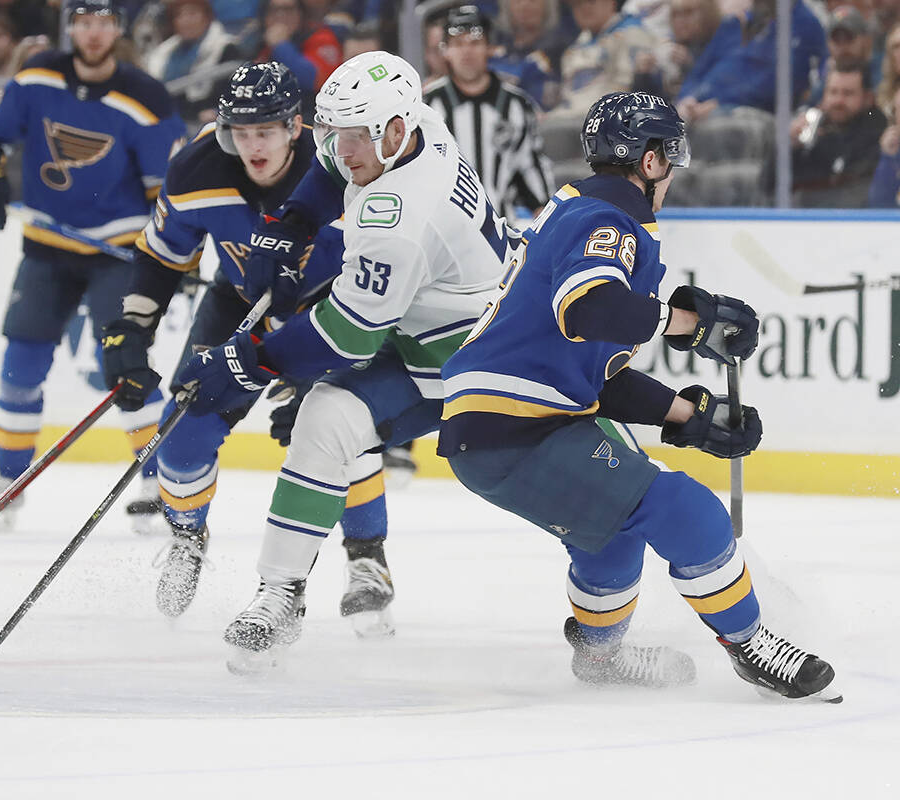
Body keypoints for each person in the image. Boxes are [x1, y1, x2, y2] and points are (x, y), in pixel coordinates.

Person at [439, 90, 840, 702]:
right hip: (515, 424)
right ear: (649, 161)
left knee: (610, 532)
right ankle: (752, 644)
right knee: (680, 506)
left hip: (513, 419)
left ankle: (599, 657)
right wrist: (688, 322)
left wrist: (687, 415)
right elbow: (590, 308)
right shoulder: (605, 219)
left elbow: (592, 371)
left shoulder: (579, 212)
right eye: (669, 155)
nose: (674, 170)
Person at [176, 51, 510, 673]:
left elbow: (348, 336)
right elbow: (330, 166)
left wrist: (252, 359)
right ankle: (281, 591)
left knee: (326, 415)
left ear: (393, 127)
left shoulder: (399, 218)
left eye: (358, 134)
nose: (343, 147)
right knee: (324, 420)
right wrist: (290, 226)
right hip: (421, 318)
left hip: (460, 359)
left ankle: (349, 561)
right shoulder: (417, 127)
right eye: (335, 130)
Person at [102, 62, 393, 621]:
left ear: (295, 127)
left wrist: (308, 378)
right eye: (240, 132)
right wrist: (133, 327)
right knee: (182, 432)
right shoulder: (195, 168)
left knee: (335, 427)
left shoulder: (342, 164)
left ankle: (366, 556)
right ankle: (187, 538)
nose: (252, 146)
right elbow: (163, 257)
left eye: (265, 131)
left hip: (328, 311)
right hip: (240, 302)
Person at [0, 0, 186, 531]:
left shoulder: (146, 97)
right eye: (83, 22)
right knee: (21, 364)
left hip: (119, 251)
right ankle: (9, 481)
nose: (92, 33)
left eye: (103, 22)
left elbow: (171, 191)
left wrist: (174, 251)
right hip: (47, 245)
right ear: (71, 28)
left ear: (117, 29)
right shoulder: (37, 78)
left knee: (124, 366)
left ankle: (157, 481)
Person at [425, 5, 555, 221]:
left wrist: (545, 214)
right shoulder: (427, 105)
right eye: (458, 44)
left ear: (489, 47)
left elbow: (531, 166)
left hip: (501, 228)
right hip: (442, 228)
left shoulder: (517, 105)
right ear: (445, 50)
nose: (467, 52)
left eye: (475, 43)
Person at [675, 0, 826, 124]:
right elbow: (700, 69)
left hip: (747, 111)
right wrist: (687, 97)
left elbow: (779, 84)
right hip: (698, 105)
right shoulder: (734, 23)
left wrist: (719, 102)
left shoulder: (804, 25)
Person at [786, 61, 886, 208]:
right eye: (833, 92)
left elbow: (855, 193)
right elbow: (769, 188)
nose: (838, 101)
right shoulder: (810, 134)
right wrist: (789, 147)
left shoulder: (877, 136)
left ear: (868, 98)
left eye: (848, 93)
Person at [546, 0, 658, 122]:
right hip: (572, 117)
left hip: (611, 120)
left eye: (591, 2)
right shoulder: (574, 49)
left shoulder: (632, 33)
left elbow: (627, 91)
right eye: (577, 4)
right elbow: (567, 98)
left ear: (611, 3)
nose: (584, 8)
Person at [142, 0, 243, 132]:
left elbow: (226, 96)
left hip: (207, 125)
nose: (185, 21)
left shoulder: (226, 49)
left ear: (207, 17)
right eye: (179, 15)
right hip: (165, 121)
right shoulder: (161, 54)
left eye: (192, 14)